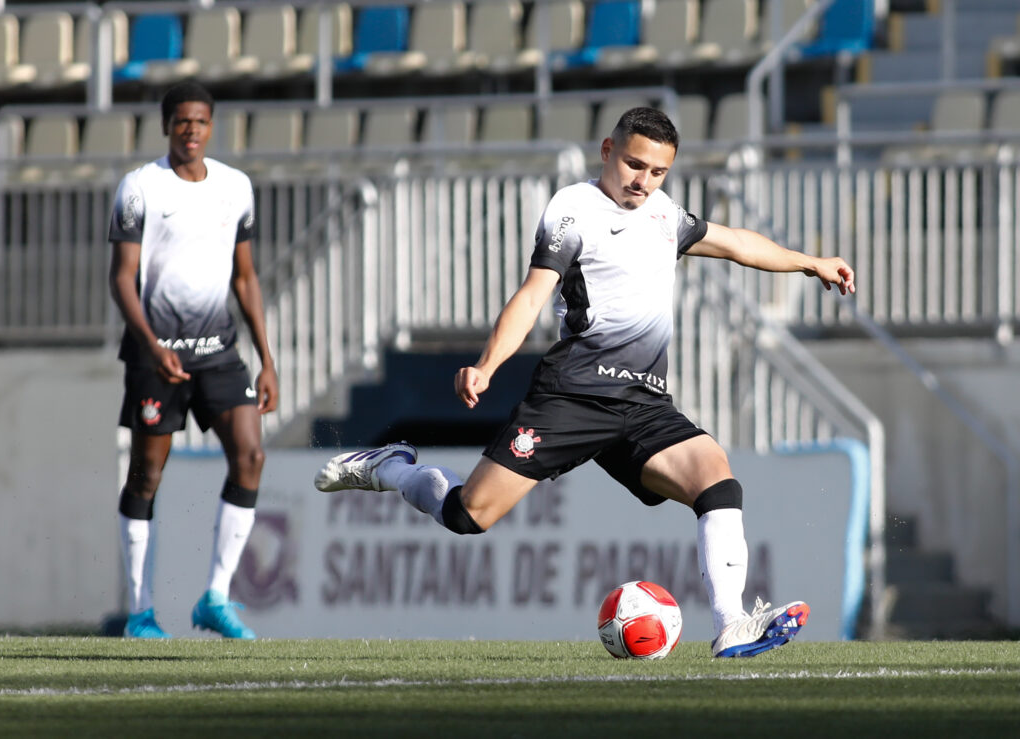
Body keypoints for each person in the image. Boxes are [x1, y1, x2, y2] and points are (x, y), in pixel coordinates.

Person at [314, 107, 855, 657]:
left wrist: (810, 263)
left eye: (658, 172)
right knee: (468, 514)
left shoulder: (665, 215)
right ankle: (393, 470)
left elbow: (736, 242)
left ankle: (731, 624)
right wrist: (487, 364)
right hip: (572, 396)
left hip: (643, 402)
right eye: (633, 164)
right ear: (607, 150)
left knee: (716, 480)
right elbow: (532, 295)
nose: (643, 181)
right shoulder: (573, 210)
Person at [108, 80, 278, 639]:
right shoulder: (139, 188)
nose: (191, 131)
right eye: (182, 121)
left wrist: (267, 358)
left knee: (250, 455)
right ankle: (139, 611)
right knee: (146, 475)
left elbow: (246, 277)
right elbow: (122, 279)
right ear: (166, 126)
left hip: (218, 351)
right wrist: (153, 346)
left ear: (211, 126)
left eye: (201, 121)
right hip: (155, 357)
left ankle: (216, 599)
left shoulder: (236, 187)